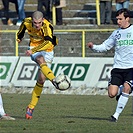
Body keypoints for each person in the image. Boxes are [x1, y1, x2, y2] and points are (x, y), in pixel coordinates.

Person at [87, 8, 133, 122]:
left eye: (120, 19)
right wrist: (94, 47)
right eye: (117, 19)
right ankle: (121, 90)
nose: (118, 21)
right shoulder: (116, 33)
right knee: (112, 94)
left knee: (127, 88)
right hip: (118, 67)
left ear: (127, 18)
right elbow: (105, 46)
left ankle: (115, 115)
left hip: (131, 67)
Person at [17, 11, 59, 119]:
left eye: (39, 23)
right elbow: (22, 28)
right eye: (35, 23)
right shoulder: (26, 21)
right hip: (34, 48)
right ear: (32, 20)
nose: (37, 25)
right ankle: (54, 80)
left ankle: (30, 107)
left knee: (41, 79)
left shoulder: (47, 26)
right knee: (40, 59)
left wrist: (34, 50)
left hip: (48, 49)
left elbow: (48, 43)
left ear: (42, 20)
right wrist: (19, 37)